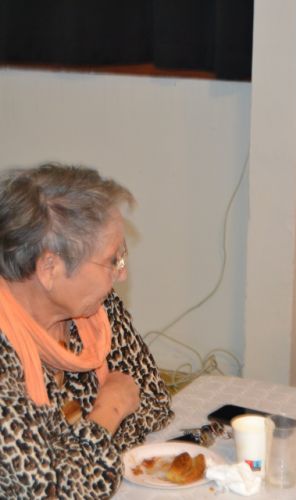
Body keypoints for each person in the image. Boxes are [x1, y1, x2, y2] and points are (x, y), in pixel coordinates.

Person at [0, 164, 173, 498]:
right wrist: (109, 411)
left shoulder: (95, 312)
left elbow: (154, 402)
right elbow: (51, 492)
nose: (122, 273)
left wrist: (71, 451)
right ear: (49, 268)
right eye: (111, 260)